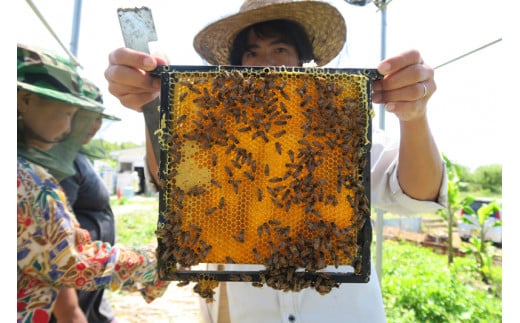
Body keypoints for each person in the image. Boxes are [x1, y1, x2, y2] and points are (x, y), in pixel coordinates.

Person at [104, 0, 447, 321]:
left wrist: (414, 117)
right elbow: (177, 187)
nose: (266, 62)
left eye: (280, 49)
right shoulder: (214, 137)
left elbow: (418, 198)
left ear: (303, 58)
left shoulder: (340, 127)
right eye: (251, 52)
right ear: (235, 67)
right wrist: (153, 106)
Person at [17, 43, 170, 322]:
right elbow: (71, 259)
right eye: (66, 113)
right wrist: (162, 259)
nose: (67, 129)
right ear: (24, 100)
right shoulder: (24, 179)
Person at [49, 80, 122, 323]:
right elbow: (55, 241)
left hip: (89, 290)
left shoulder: (76, 156)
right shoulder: (59, 161)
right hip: (70, 290)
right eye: (86, 116)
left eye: (99, 117)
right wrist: (71, 312)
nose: (95, 124)